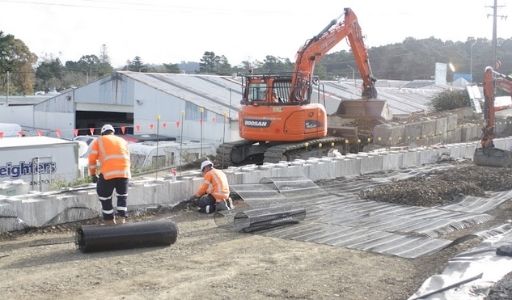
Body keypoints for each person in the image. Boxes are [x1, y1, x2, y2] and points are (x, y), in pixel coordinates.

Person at [88, 124, 131, 225]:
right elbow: (127, 156)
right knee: (122, 196)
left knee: (104, 197)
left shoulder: (99, 140)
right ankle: (122, 220)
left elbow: (92, 160)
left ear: (102, 133)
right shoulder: (123, 141)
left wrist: (93, 175)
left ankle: (109, 221)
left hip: (108, 174)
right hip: (124, 173)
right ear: (113, 132)